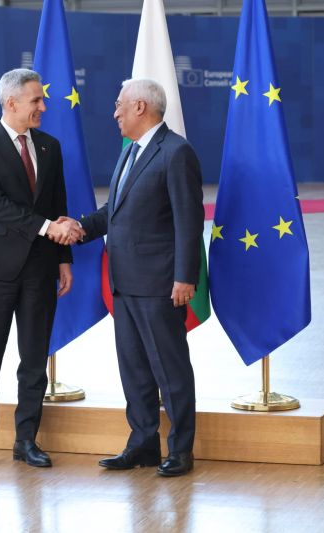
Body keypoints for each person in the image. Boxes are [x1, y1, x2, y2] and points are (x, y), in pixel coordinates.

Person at [64, 78, 204, 477]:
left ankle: (180, 450)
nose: (115, 113)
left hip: (160, 284)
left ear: (140, 107)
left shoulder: (175, 152)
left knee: (170, 370)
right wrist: (78, 227)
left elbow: (189, 220)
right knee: (135, 369)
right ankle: (143, 444)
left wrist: (184, 277)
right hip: (124, 283)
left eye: (120, 105)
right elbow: (115, 210)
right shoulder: (131, 152)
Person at [0, 68, 76, 469]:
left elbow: (58, 201)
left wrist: (63, 258)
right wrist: (47, 228)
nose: (43, 106)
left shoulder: (49, 146)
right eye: (35, 100)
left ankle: (26, 441)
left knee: (34, 361)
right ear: (11, 103)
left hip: (41, 267)